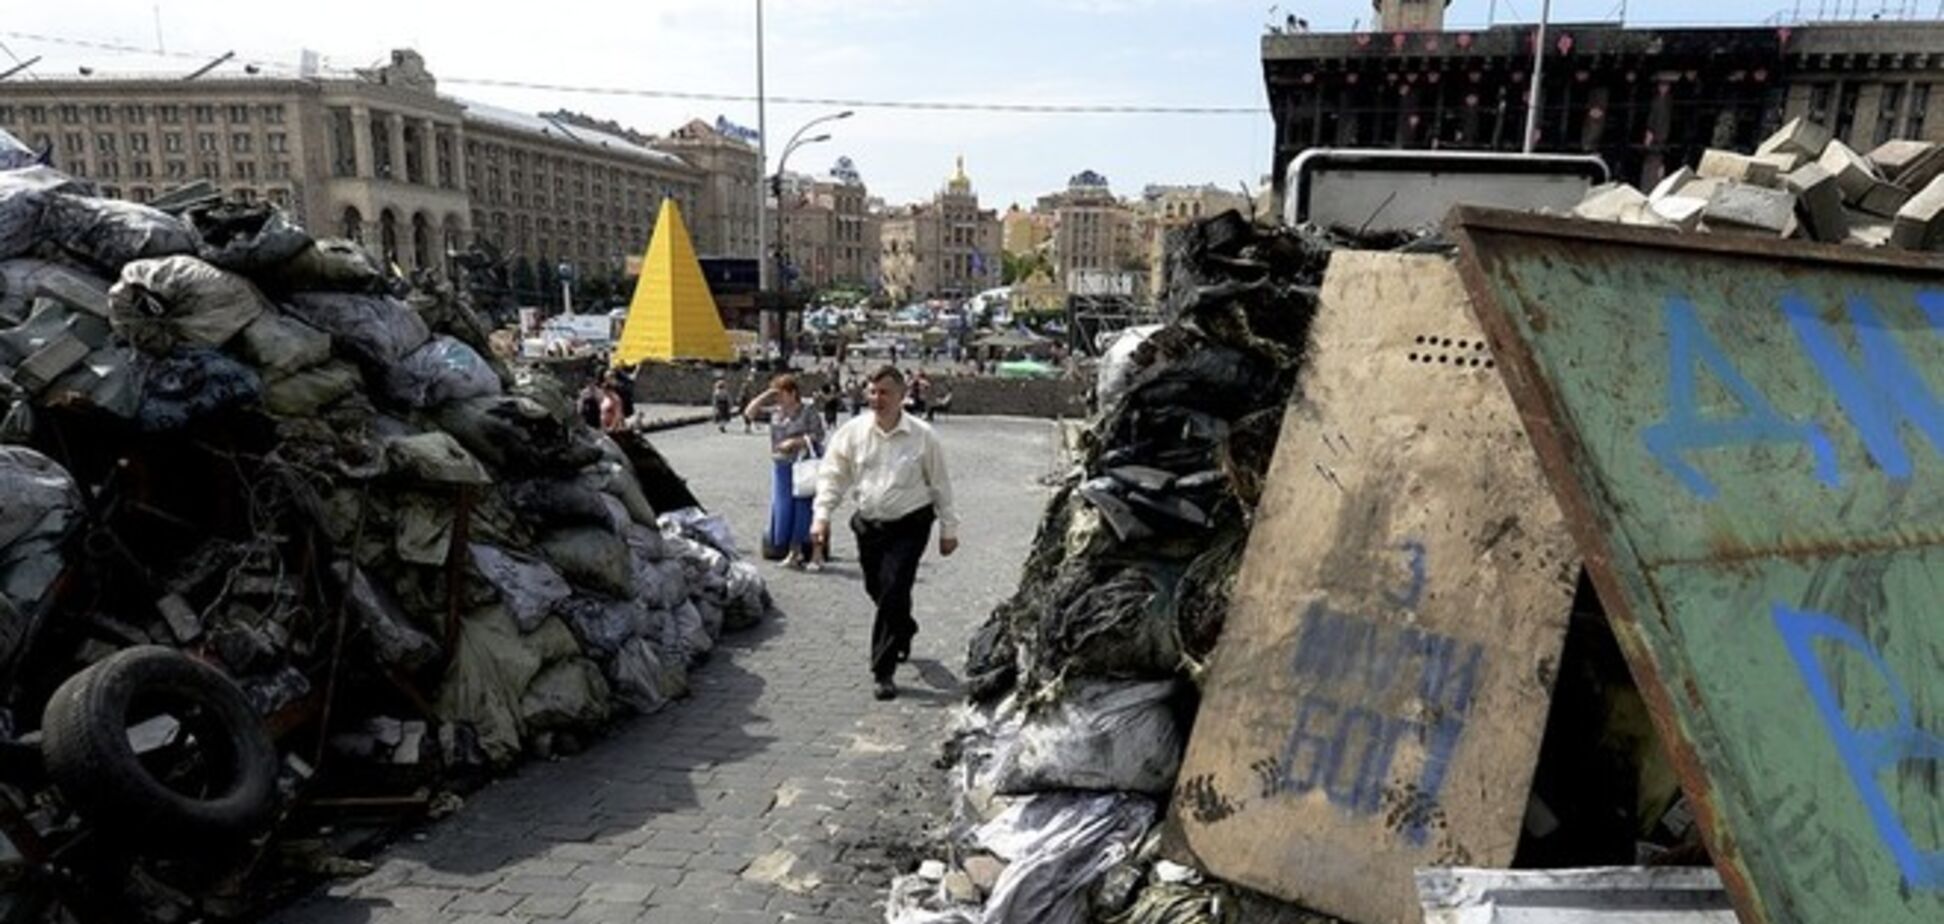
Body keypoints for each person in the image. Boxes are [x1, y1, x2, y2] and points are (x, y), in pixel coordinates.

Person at [811, 366, 959, 701]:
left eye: (885, 393)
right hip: (869, 524)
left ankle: (883, 670)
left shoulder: (923, 436)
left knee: (894, 587)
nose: (877, 399)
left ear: (902, 396)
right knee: (876, 587)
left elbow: (940, 484)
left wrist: (949, 529)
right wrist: (822, 517)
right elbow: (832, 476)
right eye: (872, 392)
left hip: (910, 524)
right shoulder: (852, 433)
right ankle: (903, 627)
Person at [745, 375, 828, 571]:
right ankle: (792, 552)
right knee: (784, 508)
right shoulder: (776, 412)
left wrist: (797, 442)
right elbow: (749, 413)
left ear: (793, 393)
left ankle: (807, 552)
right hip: (781, 465)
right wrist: (767, 394)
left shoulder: (807, 411)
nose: (778, 399)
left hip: (803, 466)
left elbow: (819, 435)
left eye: (781, 394)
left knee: (803, 509)